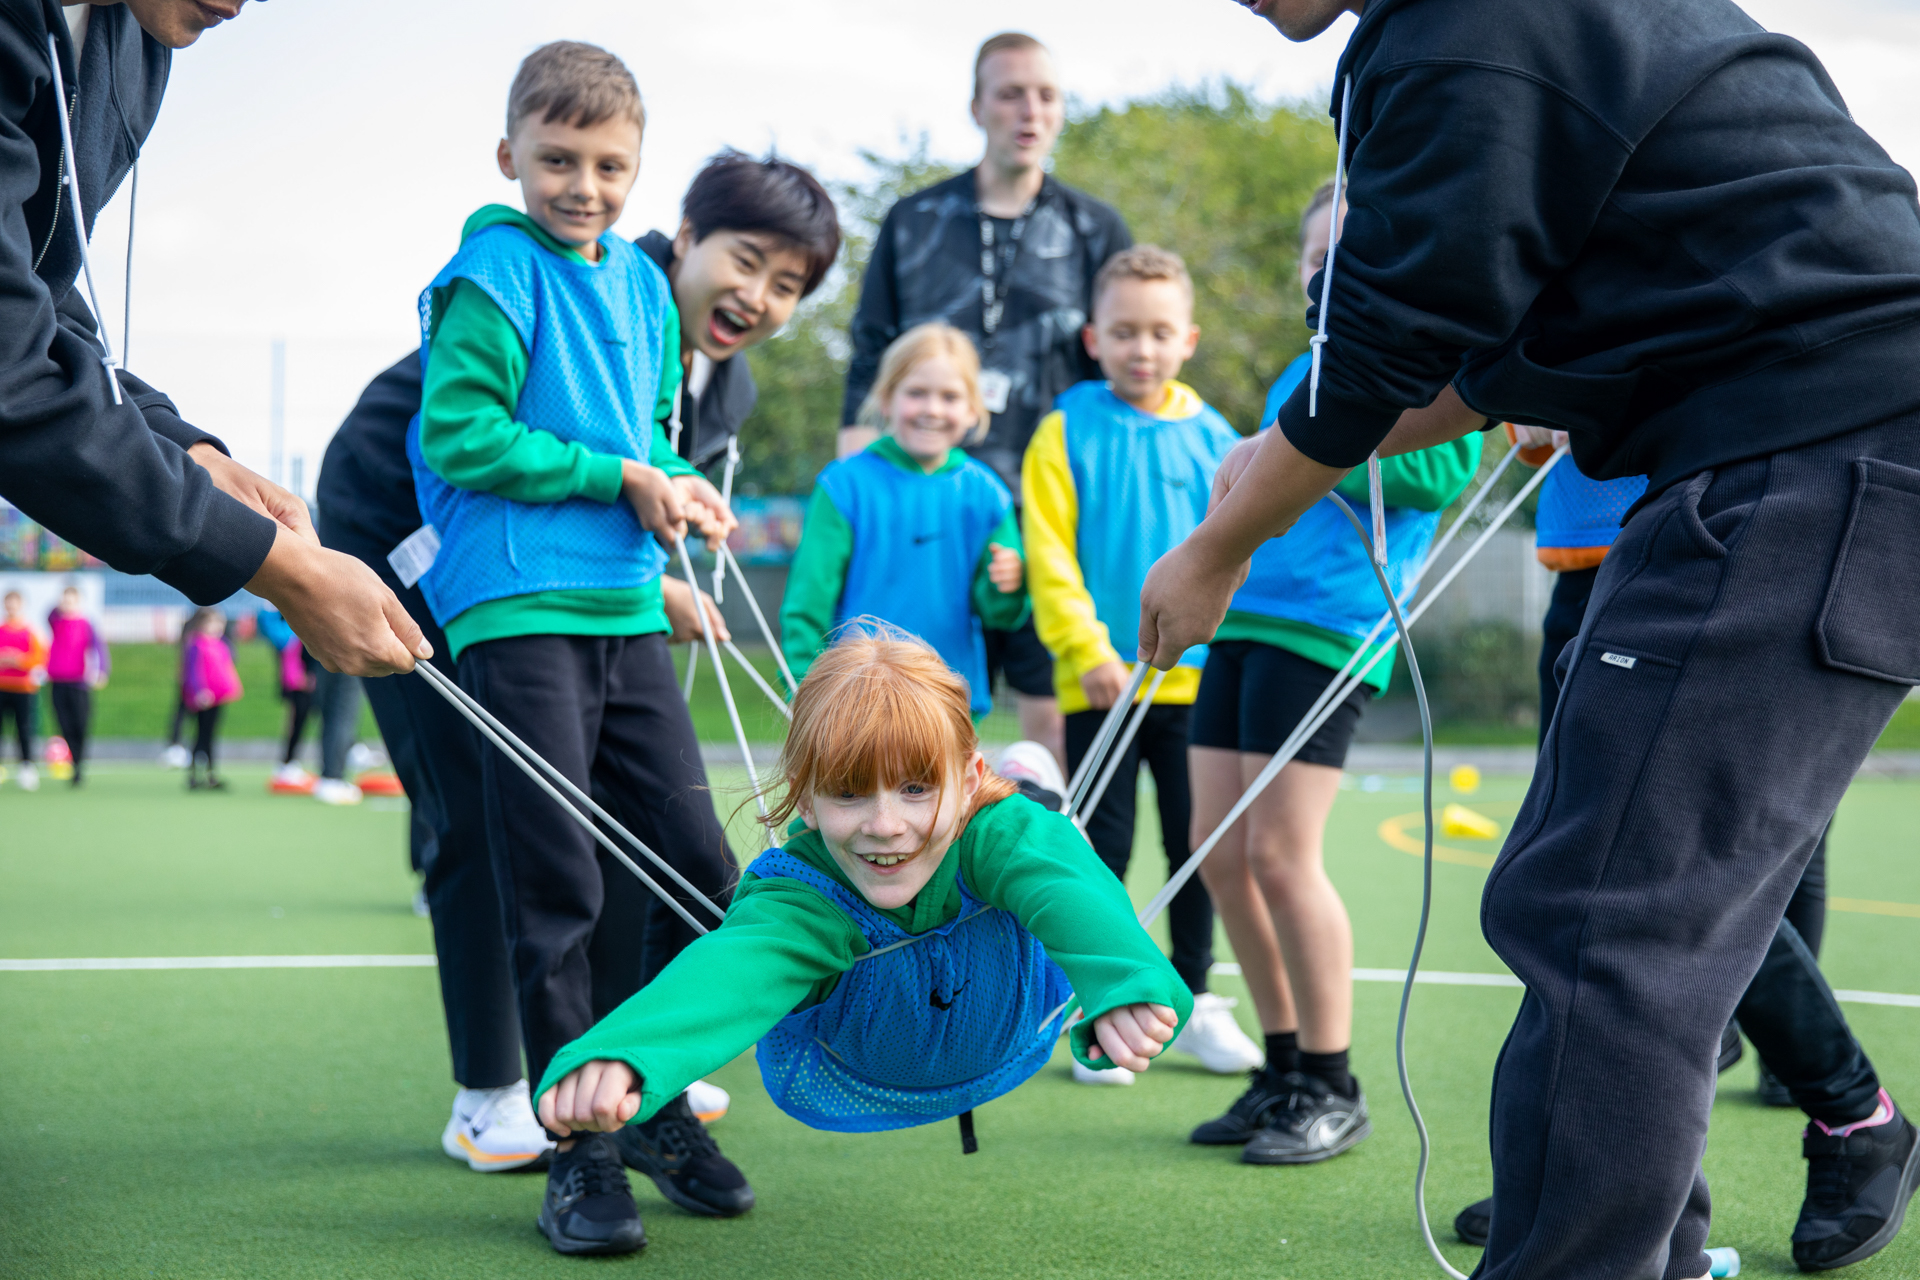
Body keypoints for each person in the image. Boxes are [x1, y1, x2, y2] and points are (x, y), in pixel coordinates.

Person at [1142, 1, 1920, 1276]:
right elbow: (1474, 351)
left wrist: (1222, 543)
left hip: (1808, 448)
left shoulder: (1464, 23)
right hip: (1771, 453)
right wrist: (1266, 466)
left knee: (1605, 917)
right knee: (1602, 901)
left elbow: (1392, 344)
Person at [318, 146, 838, 1181]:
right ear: (684, 238)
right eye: (745, 262)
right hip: (408, 537)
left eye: (788, 286)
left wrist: (656, 564)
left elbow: (648, 477)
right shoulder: (565, 275)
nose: (756, 297)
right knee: (483, 811)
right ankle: (488, 1094)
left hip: (580, 578)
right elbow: (453, 439)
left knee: (645, 824)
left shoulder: (713, 374)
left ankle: (629, 1063)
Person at [406, 42, 761, 1256]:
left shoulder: (644, 289)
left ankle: (648, 1092)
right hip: (515, 610)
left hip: (622, 606)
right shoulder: (489, 276)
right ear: (510, 157)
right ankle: (580, 1147)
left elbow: (652, 445)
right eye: (557, 159)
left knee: (698, 867)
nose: (584, 184)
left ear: (637, 171)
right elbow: (458, 434)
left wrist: (672, 498)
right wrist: (618, 475)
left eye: (611, 164)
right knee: (558, 883)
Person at [530, 630, 1192, 1257]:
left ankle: (1028, 782)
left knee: (1043, 833)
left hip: (1017, 993)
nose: (884, 825)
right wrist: (625, 1054)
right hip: (865, 1044)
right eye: (848, 792)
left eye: (915, 787)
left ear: (964, 778)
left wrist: (1128, 984)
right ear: (808, 804)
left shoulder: (996, 833)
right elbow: (735, 970)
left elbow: (1064, 887)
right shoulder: (806, 895)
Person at [1447, 429, 1902, 1271]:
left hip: (1705, 541)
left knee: (1656, 887)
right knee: (1611, 886)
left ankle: (1856, 1116)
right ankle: (1610, 1188)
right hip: (1600, 562)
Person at [0, 0, 428, 681]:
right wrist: (278, 567)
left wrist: (190, 451)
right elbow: (9, 372)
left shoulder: (141, 39)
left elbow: (33, 292)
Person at [1186, 182, 1481, 1163]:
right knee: (1215, 850)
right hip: (1244, 619)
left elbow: (1434, 473)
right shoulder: (1295, 373)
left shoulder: (1436, 377)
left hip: (1327, 633)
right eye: (1317, 259)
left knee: (1280, 851)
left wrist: (1319, 441)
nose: (1329, 273)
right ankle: (1280, 1068)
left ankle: (1332, 1076)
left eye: (1350, 255)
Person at [842, 31, 1132, 765]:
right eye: (1010, 93)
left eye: (1045, 94)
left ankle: (1037, 856)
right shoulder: (913, 220)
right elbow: (870, 349)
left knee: (1051, 719)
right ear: (978, 107)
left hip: (1049, 507)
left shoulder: (1095, 228)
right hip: (931, 501)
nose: (1028, 110)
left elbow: (1119, 369)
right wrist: (856, 468)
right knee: (919, 712)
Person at [1023, 244, 1257, 1083]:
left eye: (1159, 332)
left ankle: (1191, 1002)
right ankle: (1106, 1005)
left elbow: (1242, 551)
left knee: (1198, 853)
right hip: (1105, 684)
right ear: (1094, 337)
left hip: (1200, 682)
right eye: (1124, 331)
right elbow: (1048, 553)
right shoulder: (1064, 428)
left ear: (1187, 338)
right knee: (1104, 851)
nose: (1142, 349)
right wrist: (1087, 650)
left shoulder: (1223, 439)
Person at [782, 324, 1026, 712]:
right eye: (916, 393)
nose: (932, 408)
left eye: (949, 396)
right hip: (857, 701)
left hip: (949, 701)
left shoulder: (987, 493)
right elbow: (808, 601)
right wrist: (804, 688)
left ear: (972, 409)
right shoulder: (844, 485)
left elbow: (1000, 612)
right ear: (886, 399)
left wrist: (1010, 583)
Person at [46, 585, 110, 787]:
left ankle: (79, 763)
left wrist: (101, 671)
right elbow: (49, 614)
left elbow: (98, 648)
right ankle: (72, 760)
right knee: (64, 723)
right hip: (58, 680)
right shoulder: (56, 621)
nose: (68, 604)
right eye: (65, 600)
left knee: (80, 724)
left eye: (72, 600)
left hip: (79, 682)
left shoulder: (85, 624)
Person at [258, 610, 320, 794]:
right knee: (295, 723)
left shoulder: (298, 632)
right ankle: (287, 762)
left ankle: (290, 762)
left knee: (303, 722)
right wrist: (302, 679)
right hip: (296, 686)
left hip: (304, 686)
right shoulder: (286, 633)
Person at [179, 606, 240, 791]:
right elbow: (193, 672)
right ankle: (194, 774)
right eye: (213, 623)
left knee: (211, 735)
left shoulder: (220, 644)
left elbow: (229, 661)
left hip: (217, 697)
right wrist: (199, 691)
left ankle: (210, 774)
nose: (217, 628)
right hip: (203, 698)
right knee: (200, 735)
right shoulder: (196, 645)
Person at [0, 590, 49, 790]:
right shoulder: (1, 629)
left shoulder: (31, 631)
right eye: (8, 603)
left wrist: (19, 659)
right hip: (2, 686)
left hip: (24, 688)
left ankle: (27, 767)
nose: (12, 607)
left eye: (15, 603)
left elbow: (39, 658)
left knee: (24, 729)